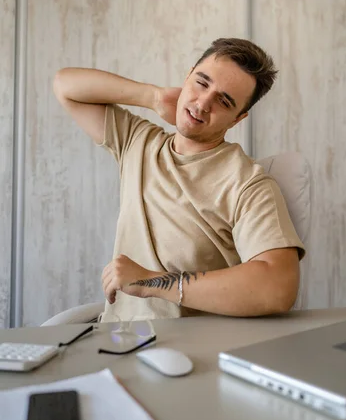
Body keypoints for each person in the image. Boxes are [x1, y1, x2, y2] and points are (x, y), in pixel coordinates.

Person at [53, 38, 305, 322]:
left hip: (186, 350)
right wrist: (153, 97)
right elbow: (66, 86)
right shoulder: (138, 141)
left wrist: (153, 282)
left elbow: (277, 288)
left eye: (224, 101)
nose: (203, 103)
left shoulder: (247, 184)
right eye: (201, 82)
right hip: (114, 340)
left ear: (237, 119)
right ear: (187, 76)